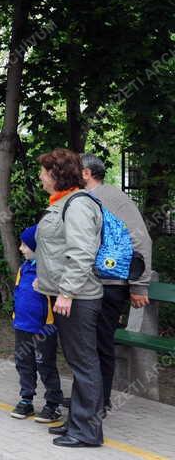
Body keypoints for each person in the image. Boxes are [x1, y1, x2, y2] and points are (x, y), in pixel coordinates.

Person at [34, 148, 104, 449]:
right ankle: (77, 420)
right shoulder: (64, 203)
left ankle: (87, 431)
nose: (40, 176)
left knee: (84, 363)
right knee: (78, 362)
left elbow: (81, 253)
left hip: (78, 298)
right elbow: (56, 251)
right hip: (67, 295)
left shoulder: (76, 205)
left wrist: (66, 291)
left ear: (55, 174)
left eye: (43, 171)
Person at [80, 153, 153, 414]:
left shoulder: (114, 199)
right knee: (86, 344)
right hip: (91, 283)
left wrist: (139, 285)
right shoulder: (86, 199)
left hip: (111, 283)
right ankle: (89, 398)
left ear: (87, 173)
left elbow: (142, 240)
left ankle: (100, 401)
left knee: (100, 342)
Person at [10, 224, 64, 423]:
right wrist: (15, 316)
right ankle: (26, 399)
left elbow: (59, 295)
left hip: (44, 328)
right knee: (24, 363)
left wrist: (45, 286)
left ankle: (53, 403)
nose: (21, 249)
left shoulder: (49, 271)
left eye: (25, 245)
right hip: (22, 326)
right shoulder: (24, 269)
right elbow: (17, 293)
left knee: (45, 364)